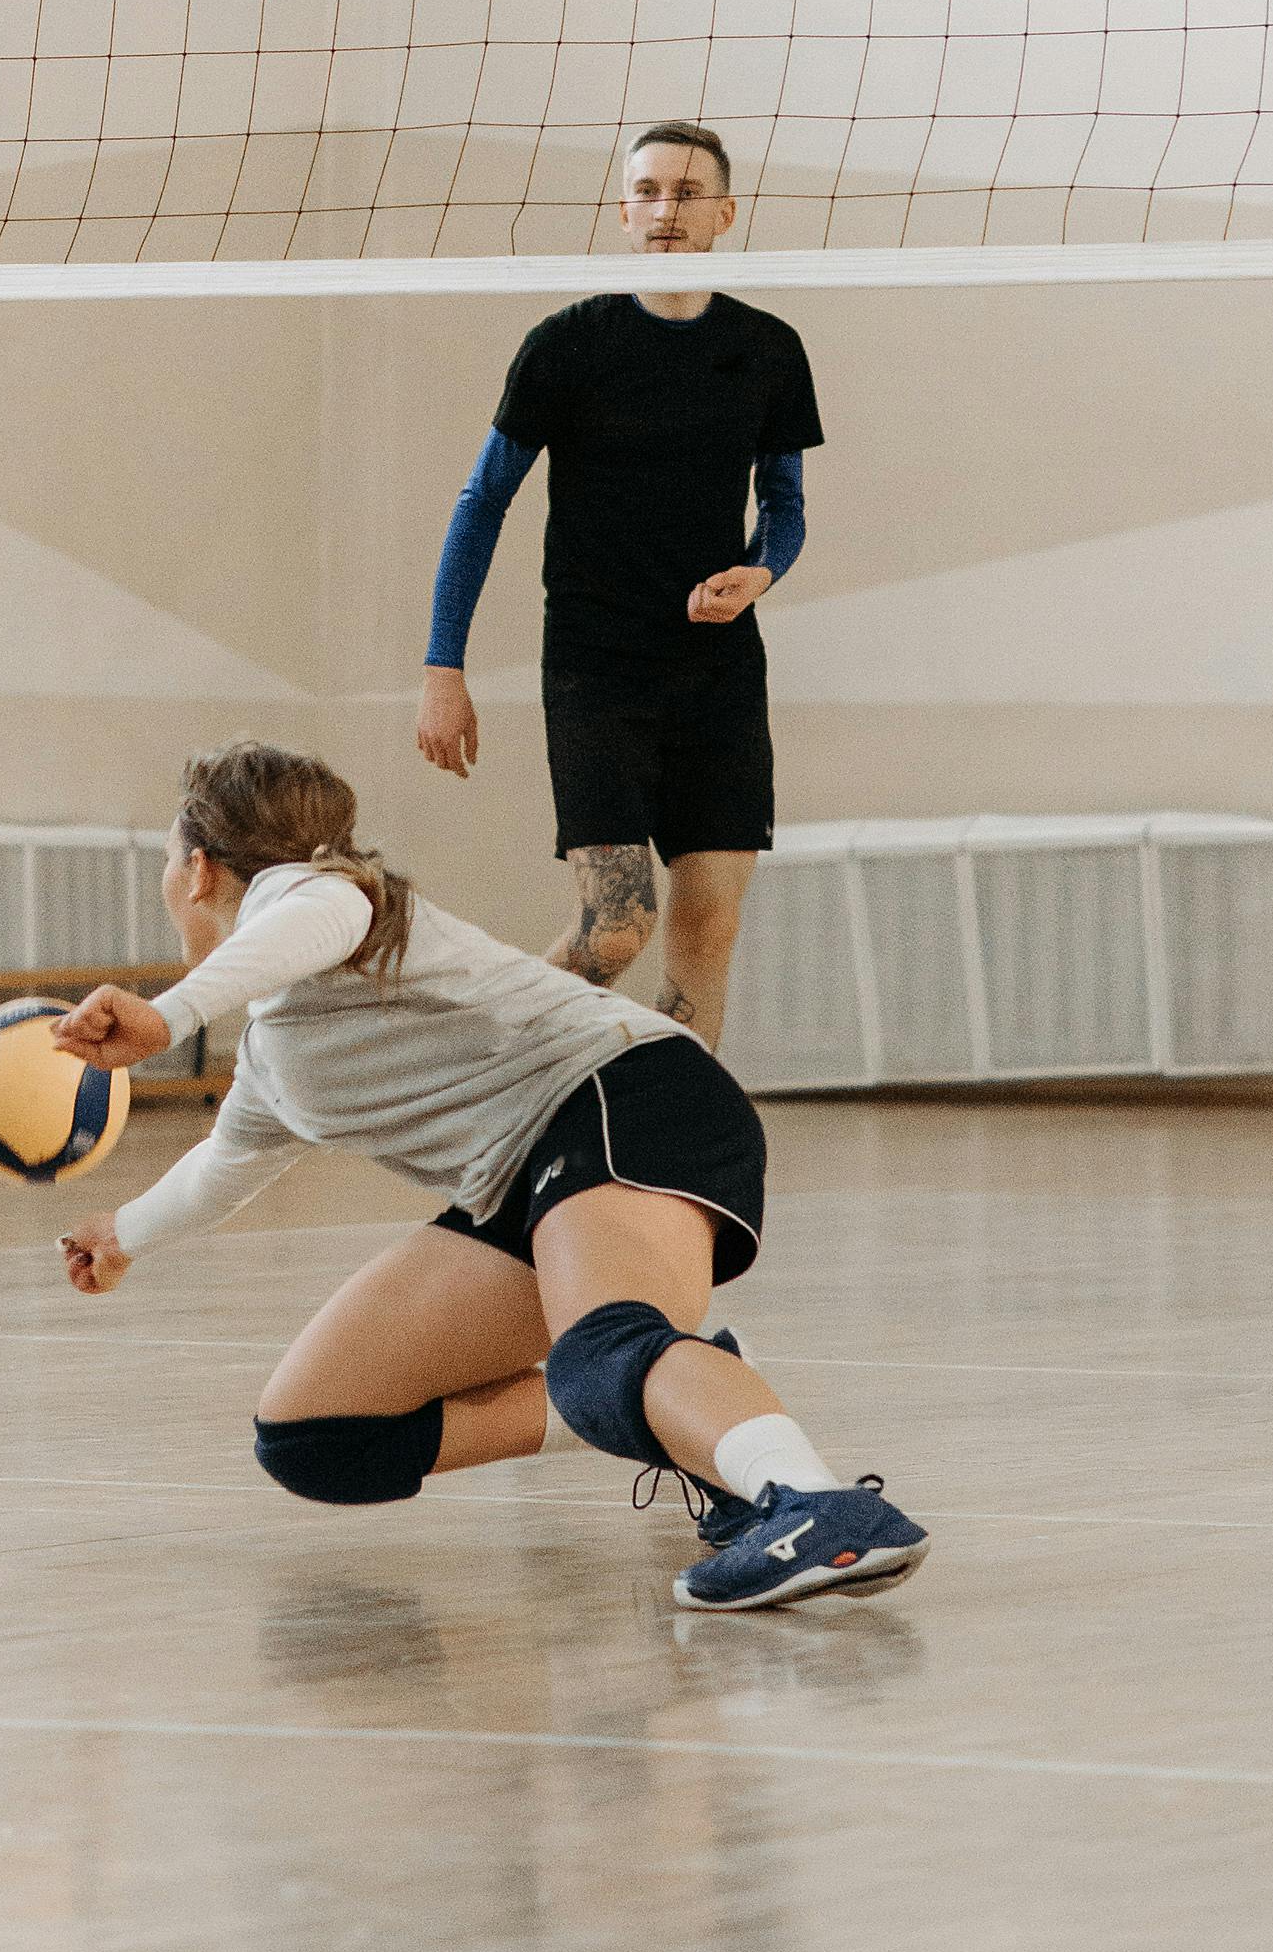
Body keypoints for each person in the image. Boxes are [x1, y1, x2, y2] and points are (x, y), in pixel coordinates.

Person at [52, 744, 925, 1612]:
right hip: (527, 1175)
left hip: (625, 1094)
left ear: (199, 869)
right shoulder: (274, 1048)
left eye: (170, 856)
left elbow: (317, 911)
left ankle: (812, 1504)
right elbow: (220, 1166)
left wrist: (165, 1016)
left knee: (600, 1352)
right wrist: (119, 1235)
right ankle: (687, 1392)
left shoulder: (323, 897)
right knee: (317, 1437)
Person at [416, 119, 816, 1048]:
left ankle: (680, 1163)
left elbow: (785, 506)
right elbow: (481, 502)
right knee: (616, 927)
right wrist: (445, 664)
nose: (665, 208)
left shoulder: (767, 348)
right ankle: (470, 1064)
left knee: (706, 930)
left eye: (685, 191)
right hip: (597, 668)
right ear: (623, 210)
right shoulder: (565, 346)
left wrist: (761, 569)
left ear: (723, 211)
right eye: (647, 190)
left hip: (717, 672)